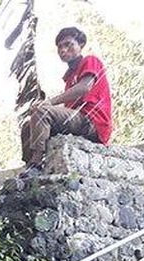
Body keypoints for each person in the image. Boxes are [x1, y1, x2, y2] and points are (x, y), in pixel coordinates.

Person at [21, 26, 112, 172]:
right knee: (28, 125)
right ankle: (28, 165)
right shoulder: (69, 77)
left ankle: (36, 164)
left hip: (92, 122)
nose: (63, 50)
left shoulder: (90, 60)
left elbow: (84, 88)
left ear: (81, 45)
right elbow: (67, 111)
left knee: (42, 112)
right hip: (77, 120)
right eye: (60, 47)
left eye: (68, 44)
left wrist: (49, 102)